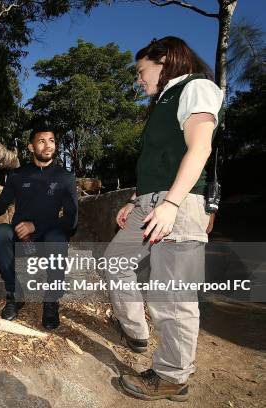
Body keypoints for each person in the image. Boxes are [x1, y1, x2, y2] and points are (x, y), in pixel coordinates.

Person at [104, 36, 223, 401]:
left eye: (142, 71)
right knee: (116, 262)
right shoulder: (162, 102)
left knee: (172, 296)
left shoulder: (196, 86)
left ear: (164, 60)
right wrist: (138, 199)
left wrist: (171, 204)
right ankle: (137, 332)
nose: (139, 79)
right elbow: (161, 161)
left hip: (179, 203)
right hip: (152, 202)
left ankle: (173, 375)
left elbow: (200, 147)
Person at [0, 127, 78, 330]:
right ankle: (16, 294)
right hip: (20, 237)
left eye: (51, 140)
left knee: (57, 237)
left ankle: (51, 301)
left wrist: (36, 226)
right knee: (0, 232)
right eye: (41, 141)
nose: (48, 145)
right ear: (31, 147)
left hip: (47, 238)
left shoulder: (65, 177)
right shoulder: (18, 174)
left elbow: (72, 220)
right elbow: (1, 205)